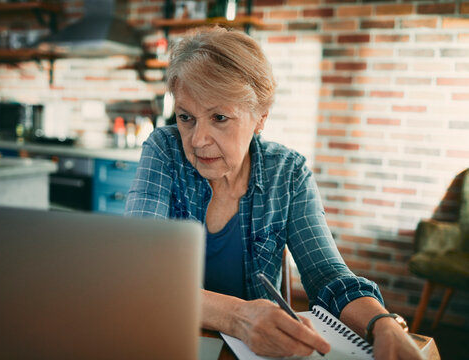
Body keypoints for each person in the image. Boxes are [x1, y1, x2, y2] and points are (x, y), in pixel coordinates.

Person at [125, 26, 422, 360]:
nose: (197, 139)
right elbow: (139, 272)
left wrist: (383, 324)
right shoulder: (164, 150)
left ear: (260, 118)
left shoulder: (289, 173)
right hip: (172, 341)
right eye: (186, 118)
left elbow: (327, 276)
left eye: (219, 117)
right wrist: (239, 317)